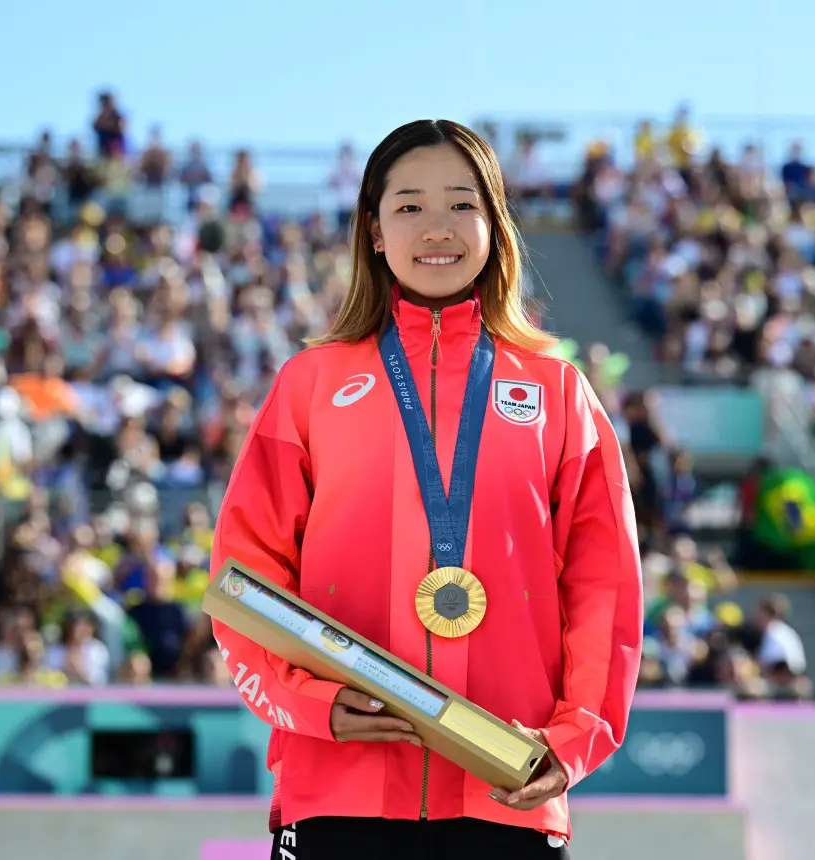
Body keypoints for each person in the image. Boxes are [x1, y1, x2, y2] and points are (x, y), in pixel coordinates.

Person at [209, 119, 643, 860]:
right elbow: (243, 579)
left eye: (461, 204)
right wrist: (309, 703)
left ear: (494, 224)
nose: (435, 228)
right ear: (374, 231)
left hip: (506, 790)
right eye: (409, 206)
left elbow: (604, 589)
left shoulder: (557, 391)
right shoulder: (310, 386)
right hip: (334, 791)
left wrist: (570, 741)